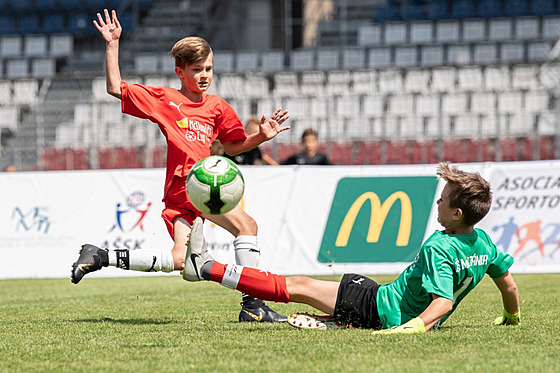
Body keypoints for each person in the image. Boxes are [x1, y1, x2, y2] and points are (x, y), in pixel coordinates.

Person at [70, 9, 290, 323]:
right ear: (180, 72)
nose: (204, 75)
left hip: (186, 189)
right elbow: (116, 87)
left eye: (209, 69)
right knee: (247, 226)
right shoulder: (166, 99)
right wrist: (112, 45)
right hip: (192, 184)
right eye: (197, 69)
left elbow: (232, 146)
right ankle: (254, 304)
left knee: (178, 259)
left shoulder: (218, 108)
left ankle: (101, 256)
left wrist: (261, 136)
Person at [183, 162, 520, 333]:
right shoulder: (485, 244)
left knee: (296, 286)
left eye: (443, 200)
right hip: (380, 300)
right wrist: (511, 317)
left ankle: (207, 268)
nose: (437, 202)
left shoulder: (439, 246)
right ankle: (338, 319)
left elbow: (443, 303)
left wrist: (411, 329)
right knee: (341, 287)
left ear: (456, 213)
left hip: (379, 309)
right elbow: (508, 283)